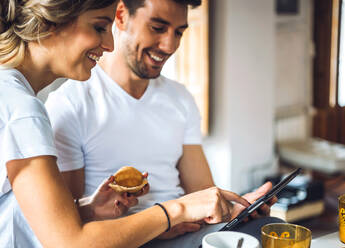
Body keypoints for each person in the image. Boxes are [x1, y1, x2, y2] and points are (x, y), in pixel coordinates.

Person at [0, 0, 257, 247]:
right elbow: (71, 242)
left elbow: (28, 215)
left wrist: (89, 208)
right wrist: (178, 209)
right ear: (50, 21)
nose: (109, 43)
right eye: (99, 27)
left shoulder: (11, 97)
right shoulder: (24, 111)